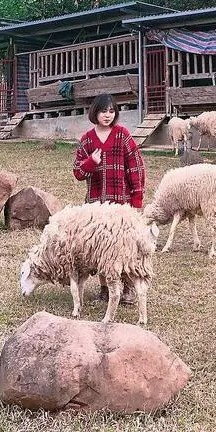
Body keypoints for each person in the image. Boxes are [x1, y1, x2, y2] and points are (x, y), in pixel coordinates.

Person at [73, 93, 146, 304]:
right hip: (96, 206)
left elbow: (136, 168)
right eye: (104, 111)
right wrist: (91, 162)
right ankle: (105, 289)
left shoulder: (123, 135)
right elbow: (78, 173)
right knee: (100, 249)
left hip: (121, 206)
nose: (107, 115)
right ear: (95, 112)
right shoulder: (87, 140)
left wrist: (137, 200)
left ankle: (128, 288)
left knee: (124, 247)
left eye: (112, 111)